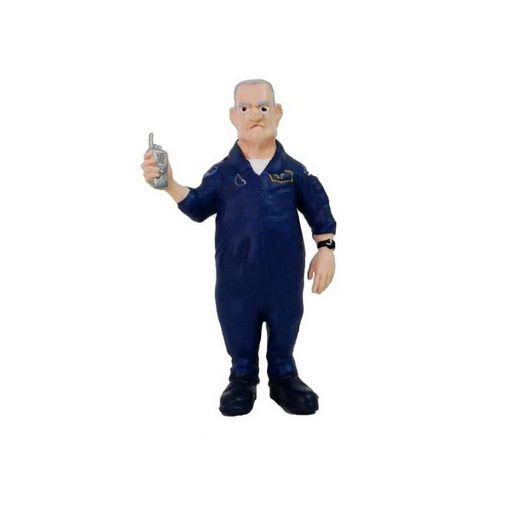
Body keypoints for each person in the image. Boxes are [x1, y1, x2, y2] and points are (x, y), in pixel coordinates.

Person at [141, 79, 337, 416]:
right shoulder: (222, 174)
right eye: (245, 108)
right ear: (233, 116)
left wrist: (327, 248)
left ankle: (284, 376)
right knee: (238, 328)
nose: (255, 115)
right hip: (236, 280)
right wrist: (169, 184)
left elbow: (318, 208)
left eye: (263, 107)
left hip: (284, 279)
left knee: (286, 325)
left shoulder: (293, 172)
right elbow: (197, 206)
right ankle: (242, 377)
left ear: (278, 113)